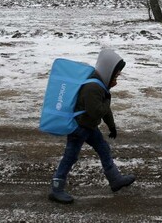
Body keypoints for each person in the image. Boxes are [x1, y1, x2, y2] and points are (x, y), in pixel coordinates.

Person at [49, 48, 136, 204]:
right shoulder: (93, 88)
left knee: (103, 149)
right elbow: (96, 112)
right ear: (108, 72)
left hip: (89, 127)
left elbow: (104, 110)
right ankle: (56, 189)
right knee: (70, 157)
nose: (117, 79)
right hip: (79, 128)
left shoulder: (100, 86)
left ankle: (115, 179)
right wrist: (108, 99)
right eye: (116, 75)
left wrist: (112, 126)